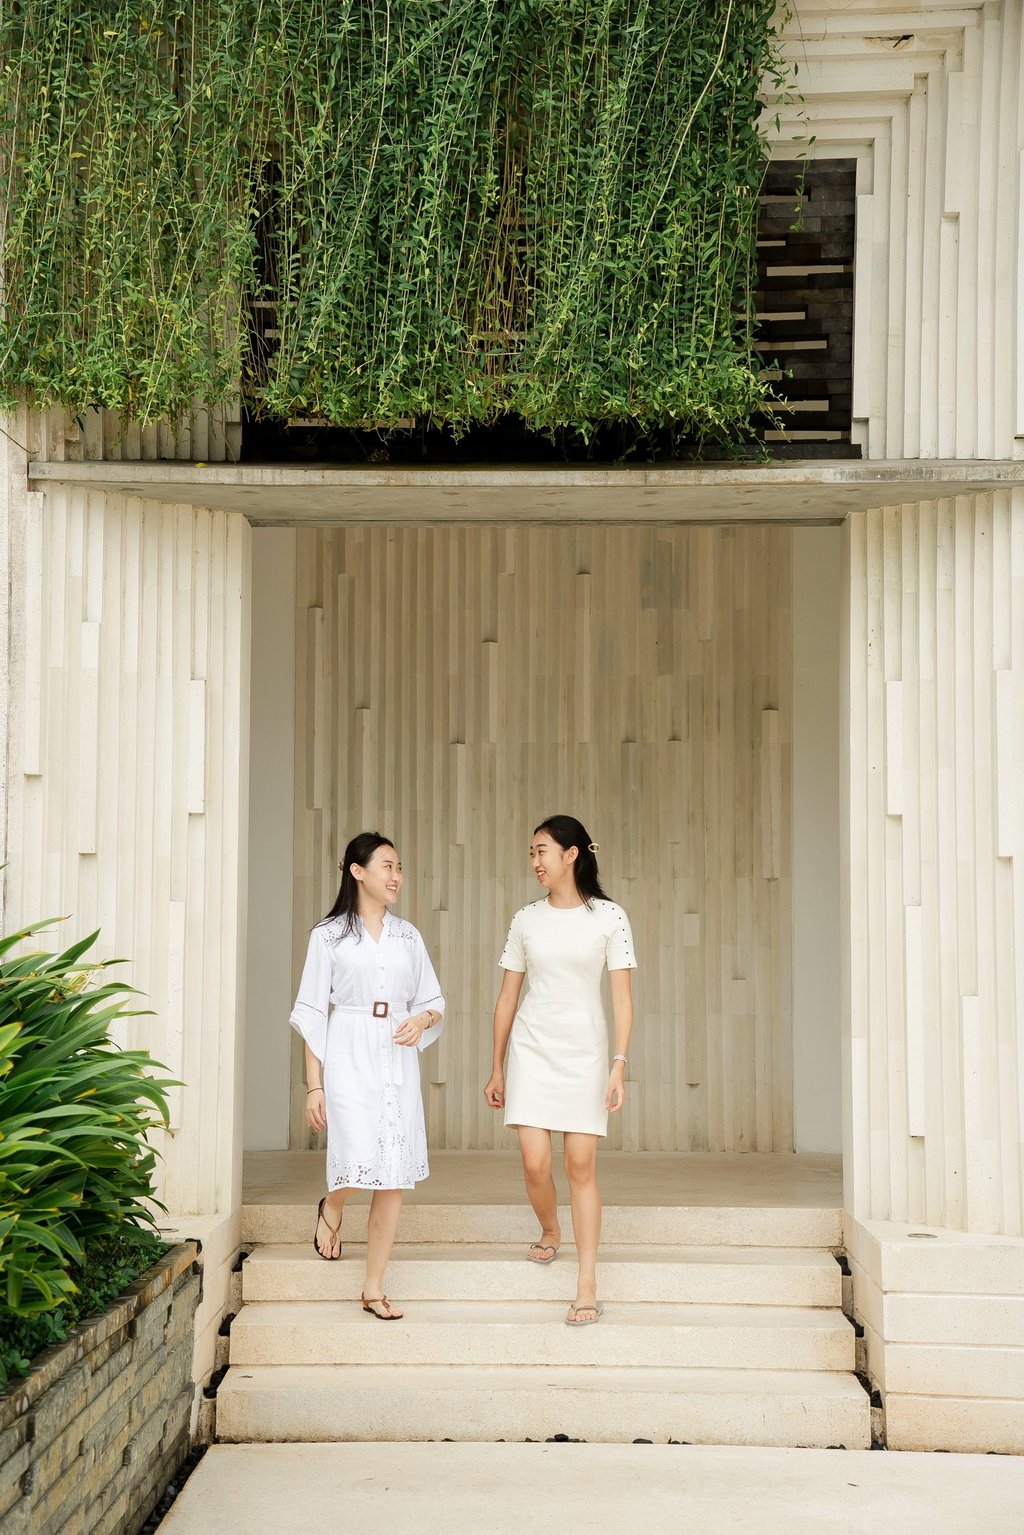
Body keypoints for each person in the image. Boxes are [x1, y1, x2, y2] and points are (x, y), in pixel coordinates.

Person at [484, 815, 636, 1325]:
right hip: (531, 1050)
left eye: (542, 851)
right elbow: (507, 998)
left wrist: (618, 1063)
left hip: (586, 1054)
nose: (535, 861)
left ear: (571, 854)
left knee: (580, 1166)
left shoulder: (609, 917)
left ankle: (586, 1281)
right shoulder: (525, 919)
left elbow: (622, 998)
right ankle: (551, 1228)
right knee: (534, 1163)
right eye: (531, 853)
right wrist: (496, 1066)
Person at [290, 831, 444, 1320]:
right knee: (357, 1158)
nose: (396, 876)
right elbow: (312, 1013)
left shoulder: (408, 937)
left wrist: (421, 1020)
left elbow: (433, 1000)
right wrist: (314, 1085)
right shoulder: (328, 936)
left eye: (399, 868)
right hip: (348, 1051)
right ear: (357, 871)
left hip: (397, 1057)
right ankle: (333, 1205)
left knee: (392, 1173)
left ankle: (373, 1288)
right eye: (387, 866)